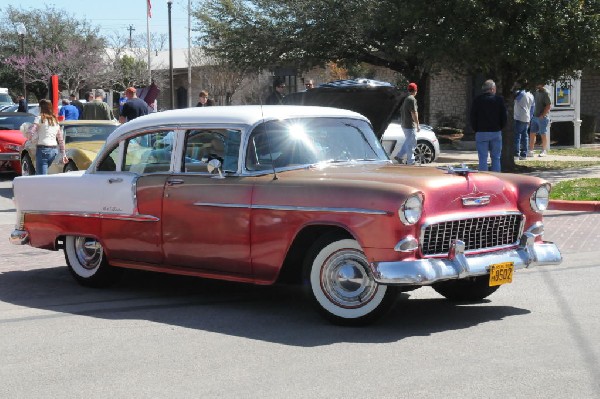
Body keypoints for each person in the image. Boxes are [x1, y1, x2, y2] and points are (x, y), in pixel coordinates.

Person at [470, 79, 507, 172]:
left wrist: (476, 129)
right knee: (496, 158)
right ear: (492, 89)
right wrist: (500, 127)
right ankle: (496, 178)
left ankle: (484, 179)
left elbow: (472, 116)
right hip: (495, 131)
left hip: (481, 132)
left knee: (482, 158)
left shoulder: (477, 100)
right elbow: (504, 116)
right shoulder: (499, 100)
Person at [29, 99, 68, 174]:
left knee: (41, 176)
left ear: (41, 108)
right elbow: (60, 139)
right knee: (45, 173)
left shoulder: (39, 119)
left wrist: (30, 138)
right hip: (54, 151)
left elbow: (31, 132)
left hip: (43, 150)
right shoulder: (55, 121)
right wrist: (63, 154)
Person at [395, 82, 420, 165]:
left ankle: (400, 156)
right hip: (410, 125)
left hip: (404, 125)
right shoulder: (412, 99)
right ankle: (411, 161)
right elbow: (414, 113)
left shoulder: (406, 99)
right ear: (415, 90)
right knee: (411, 143)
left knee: (408, 141)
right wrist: (417, 124)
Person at [513, 82, 534, 160]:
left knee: (517, 136)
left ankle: (516, 154)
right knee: (525, 136)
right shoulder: (531, 95)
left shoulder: (519, 94)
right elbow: (532, 108)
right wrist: (530, 118)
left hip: (518, 117)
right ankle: (524, 154)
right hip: (527, 117)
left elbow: (513, 99)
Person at [529, 83, 551, 157]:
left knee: (543, 133)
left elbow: (548, 105)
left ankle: (544, 150)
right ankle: (531, 150)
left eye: (538, 83)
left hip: (542, 117)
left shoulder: (546, 93)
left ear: (542, 84)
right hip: (534, 116)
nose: (536, 85)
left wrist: (543, 115)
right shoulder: (536, 91)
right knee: (532, 133)